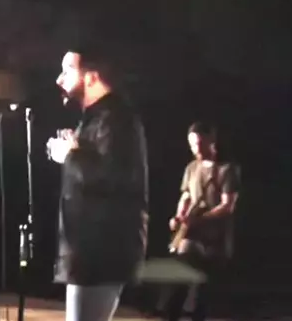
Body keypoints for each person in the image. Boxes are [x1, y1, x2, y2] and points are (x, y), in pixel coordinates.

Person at [46, 48, 149, 321]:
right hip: (89, 252)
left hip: (101, 254)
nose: (59, 79)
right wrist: (72, 152)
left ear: (91, 77)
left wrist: (69, 155)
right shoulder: (97, 119)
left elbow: (115, 178)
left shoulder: (116, 120)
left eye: (67, 71)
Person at [163, 121, 240, 321]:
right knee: (178, 285)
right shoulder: (191, 168)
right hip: (191, 236)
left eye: (198, 143)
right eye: (191, 144)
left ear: (211, 140)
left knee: (202, 294)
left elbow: (228, 205)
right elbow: (186, 195)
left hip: (215, 239)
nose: (195, 149)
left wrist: (200, 220)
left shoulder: (227, 169)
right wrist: (179, 216)